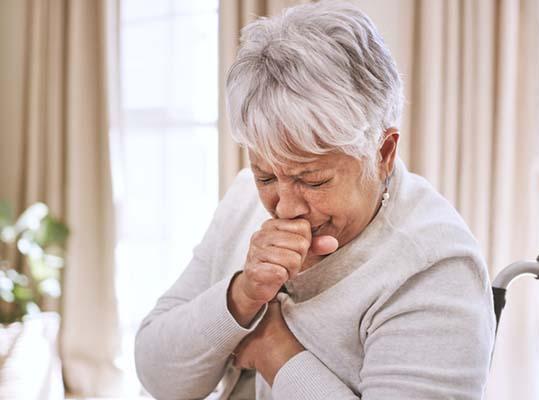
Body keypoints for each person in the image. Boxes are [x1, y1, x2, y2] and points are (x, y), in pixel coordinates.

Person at [134, 2, 495, 399]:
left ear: (383, 152)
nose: (285, 208)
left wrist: (276, 351)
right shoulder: (243, 197)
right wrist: (241, 296)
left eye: (313, 179)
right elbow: (158, 376)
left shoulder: (435, 267)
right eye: (266, 176)